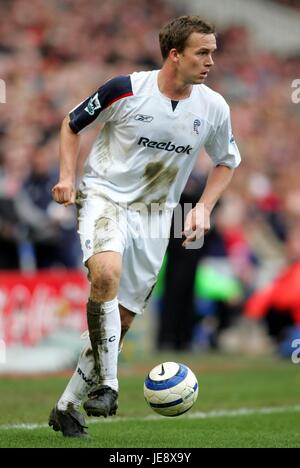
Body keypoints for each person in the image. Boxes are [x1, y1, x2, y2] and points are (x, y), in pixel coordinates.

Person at [49, 15, 241, 437]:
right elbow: (71, 123)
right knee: (106, 273)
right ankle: (109, 384)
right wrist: (67, 176)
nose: (211, 61)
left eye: (213, 52)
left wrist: (204, 207)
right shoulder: (124, 89)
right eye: (202, 52)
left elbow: (227, 161)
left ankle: (66, 406)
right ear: (175, 54)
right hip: (105, 198)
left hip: (158, 216)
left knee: (120, 317)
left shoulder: (213, 107)